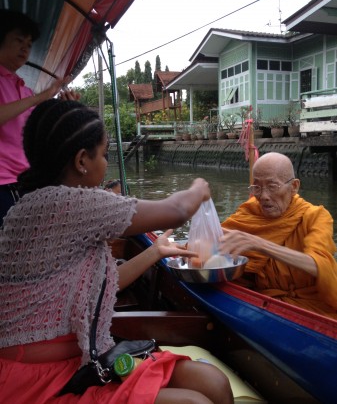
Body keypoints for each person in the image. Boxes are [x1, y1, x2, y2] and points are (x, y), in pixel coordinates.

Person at [0, 99, 233, 404]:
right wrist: (200, 188)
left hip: (84, 357)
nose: (107, 163)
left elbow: (99, 286)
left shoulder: (34, 205)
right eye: (105, 153)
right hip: (38, 377)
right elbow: (177, 209)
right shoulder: (67, 204)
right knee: (195, 402)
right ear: (82, 160)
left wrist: (155, 252)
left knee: (213, 382)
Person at [219, 152, 337, 319]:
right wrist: (178, 248)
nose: (263, 196)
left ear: (294, 186)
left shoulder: (315, 216)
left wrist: (261, 245)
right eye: (257, 187)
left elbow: (321, 265)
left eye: (272, 186)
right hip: (264, 305)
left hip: (312, 309)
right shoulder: (250, 212)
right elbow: (217, 242)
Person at [0, 9, 80, 226]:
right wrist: (44, 96)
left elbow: (39, 132)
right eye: (19, 40)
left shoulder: (24, 91)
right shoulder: (30, 96)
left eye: (29, 43)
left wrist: (65, 108)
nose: (26, 48)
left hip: (25, 181)